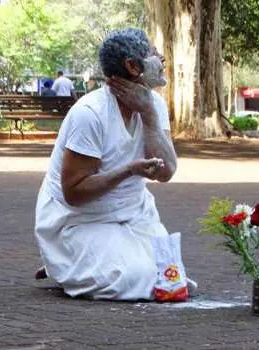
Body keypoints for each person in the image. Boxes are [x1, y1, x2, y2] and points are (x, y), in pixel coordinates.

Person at [34, 28, 187, 300]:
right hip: (79, 220)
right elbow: (74, 193)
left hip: (134, 213)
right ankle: (62, 261)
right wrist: (129, 170)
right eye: (153, 53)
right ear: (132, 65)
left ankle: (73, 263)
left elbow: (167, 172)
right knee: (130, 279)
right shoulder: (89, 113)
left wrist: (149, 114)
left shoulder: (155, 106)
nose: (162, 59)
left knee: (169, 277)